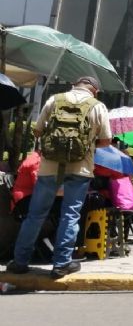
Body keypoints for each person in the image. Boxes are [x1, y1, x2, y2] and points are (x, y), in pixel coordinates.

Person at [6, 76, 111, 278]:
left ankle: (20, 261)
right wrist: (87, 145)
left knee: (35, 215)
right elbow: (106, 140)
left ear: (75, 85)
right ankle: (61, 264)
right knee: (70, 215)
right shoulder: (98, 106)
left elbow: (37, 132)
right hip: (80, 168)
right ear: (95, 91)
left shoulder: (54, 100)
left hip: (48, 167)